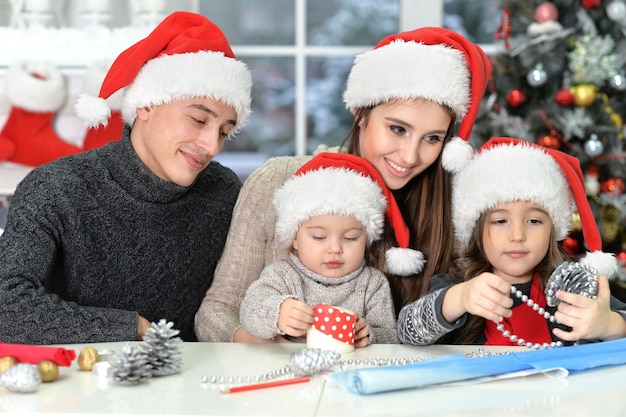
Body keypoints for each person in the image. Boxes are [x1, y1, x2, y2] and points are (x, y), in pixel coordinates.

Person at [195, 27, 492, 342]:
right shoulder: (278, 181)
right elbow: (216, 312)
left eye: (432, 138)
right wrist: (271, 347)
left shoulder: (452, 207)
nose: (410, 156)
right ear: (361, 114)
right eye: (397, 129)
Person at [0, 11, 252, 344]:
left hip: (193, 385)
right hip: (76, 388)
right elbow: (6, 304)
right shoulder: (55, 189)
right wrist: (130, 328)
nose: (211, 145)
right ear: (147, 104)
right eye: (197, 119)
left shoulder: (222, 192)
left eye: (224, 131)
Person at [397, 137, 626, 347]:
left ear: (552, 230)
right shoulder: (456, 283)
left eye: (534, 220)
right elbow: (406, 332)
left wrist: (610, 325)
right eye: (500, 221)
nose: (517, 235)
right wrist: (459, 298)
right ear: (477, 229)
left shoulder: (572, 285)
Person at [239, 153, 408, 345]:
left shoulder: (372, 284)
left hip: (350, 371)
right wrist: (277, 312)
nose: (335, 249)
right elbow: (248, 311)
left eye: (350, 238)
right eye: (319, 237)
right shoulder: (282, 275)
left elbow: (390, 336)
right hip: (292, 369)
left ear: (367, 239)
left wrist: (369, 336)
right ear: (295, 238)